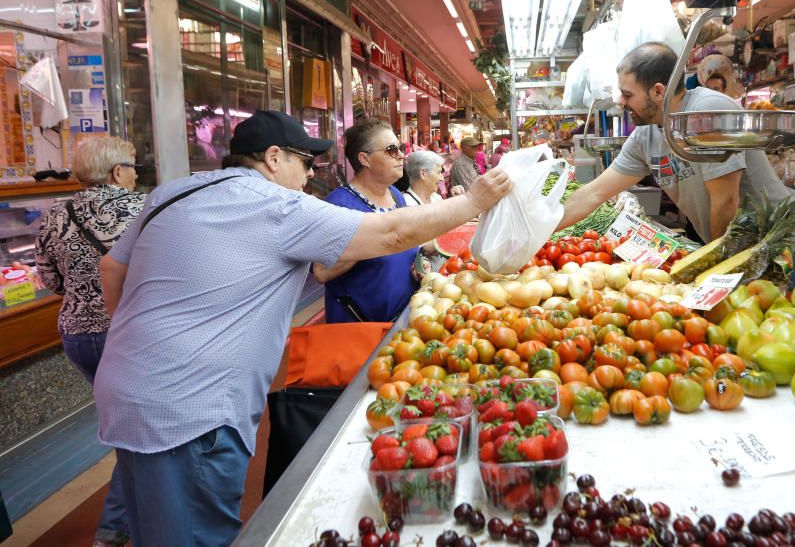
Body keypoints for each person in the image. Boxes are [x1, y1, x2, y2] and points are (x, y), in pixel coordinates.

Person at [95, 110, 511, 547]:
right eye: (305, 162)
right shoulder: (279, 207)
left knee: (154, 527)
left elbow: (112, 268)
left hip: (124, 387)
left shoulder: (172, 192)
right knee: (197, 534)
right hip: (193, 408)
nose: (310, 175)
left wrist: (137, 345)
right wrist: (474, 201)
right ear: (274, 158)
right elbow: (390, 235)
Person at [558, 42, 795, 283]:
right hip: (733, 251)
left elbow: (726, 202)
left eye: (627, 94)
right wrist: (539, 230)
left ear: (658, 92)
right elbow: (594, 193)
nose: (621, 102)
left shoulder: (707, 112)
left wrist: (715, 270)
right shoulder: (645, 136)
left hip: (777, 252)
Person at [34, 136, 145, 547]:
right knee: (135, 431)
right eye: (133, 166)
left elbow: (49, 281)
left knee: (125, 426)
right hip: (131, 333)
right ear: (118, 172)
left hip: (79, 336)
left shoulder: (54, 214)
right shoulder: (141, 208)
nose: (136, 174)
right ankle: (114, 530)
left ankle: (123, 522)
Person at [314, 119, 416, 323]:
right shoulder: (339, 205)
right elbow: (322, 271)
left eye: (401, 148)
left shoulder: (396, 194)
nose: (401, 155)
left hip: (403, 319)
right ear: (365, 159)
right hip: (362, 329)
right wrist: (372, 236)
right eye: (391, 150)